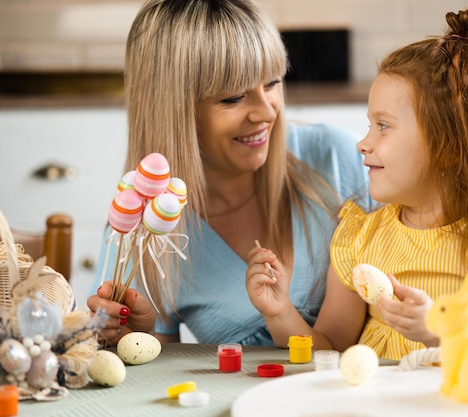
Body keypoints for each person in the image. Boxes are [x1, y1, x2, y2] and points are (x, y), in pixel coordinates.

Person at [246, 8, 468, 398]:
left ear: (449, 147)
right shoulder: (359, 239)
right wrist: (280, 312)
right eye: (369, 124)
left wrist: (440, 335)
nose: (363, 142)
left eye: (383, 126)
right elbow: (330, 350)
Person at [86, 0, 370, 347]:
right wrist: (134, 337)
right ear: (174, 112)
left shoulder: (340, 158)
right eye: (234, 97)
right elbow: (152, 377)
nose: (267, 113)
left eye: (272, 83)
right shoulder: (142, 232)